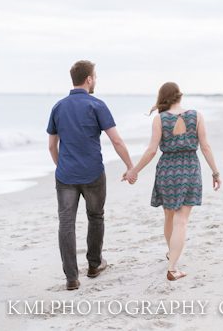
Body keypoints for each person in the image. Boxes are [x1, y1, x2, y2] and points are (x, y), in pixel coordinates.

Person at [47, 60, 134, 290]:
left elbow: (51, 146)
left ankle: (72, 278)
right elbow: (116, 139)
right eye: (95, 76)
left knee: (66, 224)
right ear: (88, 79)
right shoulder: (97, 105)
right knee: (96, 217)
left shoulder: (58, 107)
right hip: (93, 173)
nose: (95, 80)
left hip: (66, 175)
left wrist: (61, 166)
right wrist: (130, 166)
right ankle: (94, 265)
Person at [124, 82, 221, 281]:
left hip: (167, 169)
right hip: (189, 168)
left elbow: (151, 150)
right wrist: (215, 172)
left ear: (163, 98)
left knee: (169, 217)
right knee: (181, 220)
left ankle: (172, 254)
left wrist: (134, 171)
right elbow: (206, 147)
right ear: (180, 96)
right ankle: (173, 267)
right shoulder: (197, 116)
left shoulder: (160, 119)